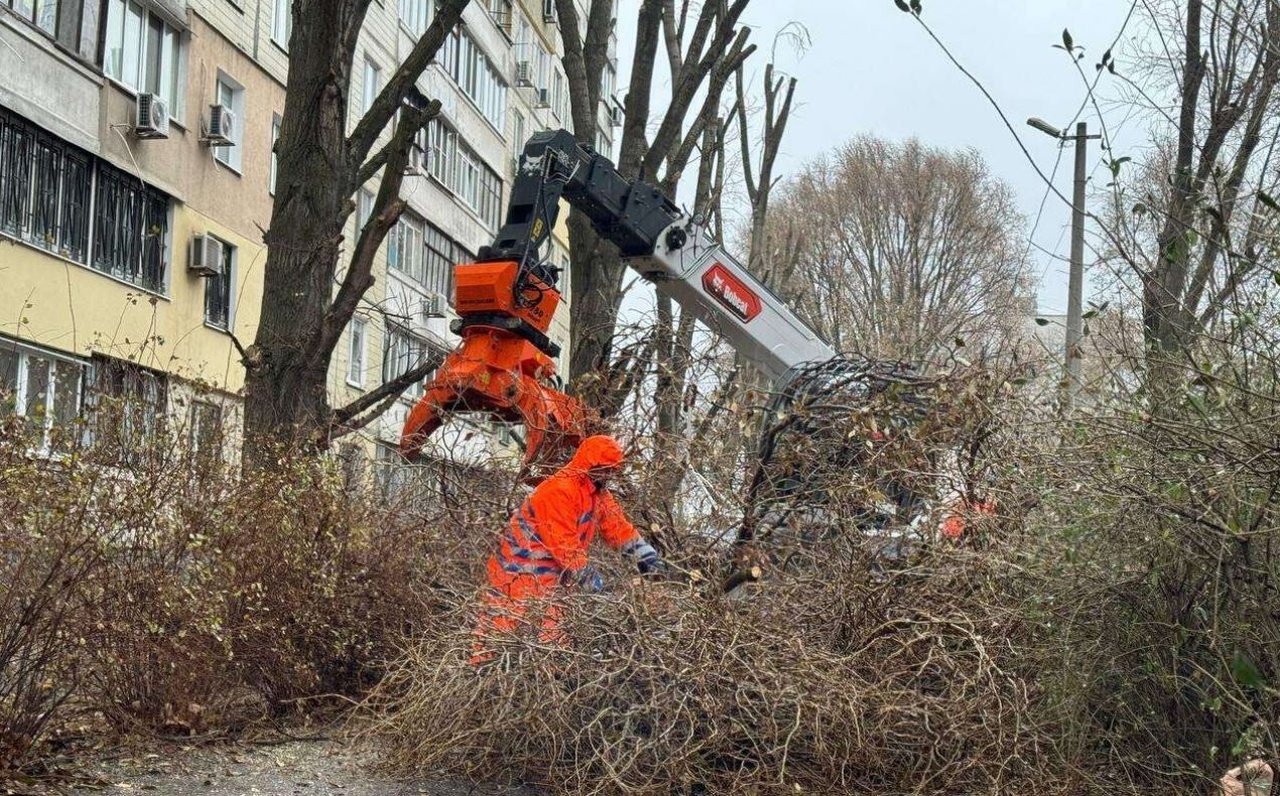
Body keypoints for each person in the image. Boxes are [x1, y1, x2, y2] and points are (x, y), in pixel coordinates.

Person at [471, 435, 663, 663]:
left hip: (554, 575)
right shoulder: (558, 489)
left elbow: (617, 526)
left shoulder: (597, 494)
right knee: (499, 633)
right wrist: (592, 581)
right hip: (516, 572)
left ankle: (547, 683)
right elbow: (564, 544)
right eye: (605, 469)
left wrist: (646, 556)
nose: (609, 475)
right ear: (591, 464)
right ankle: (480, 675)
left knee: (555, 642)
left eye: (612, 470)